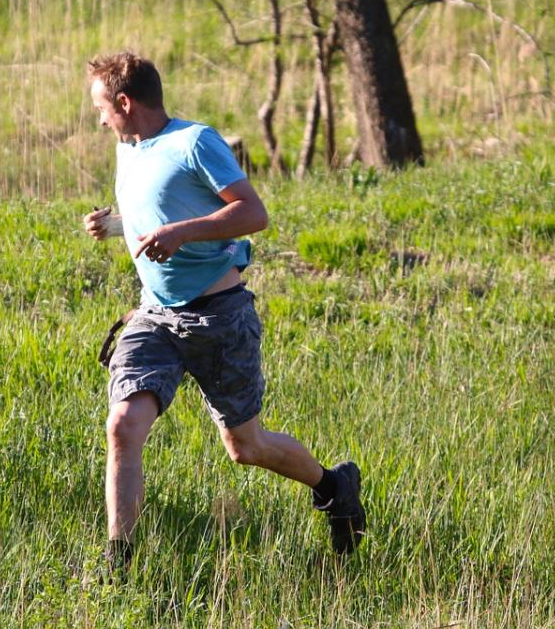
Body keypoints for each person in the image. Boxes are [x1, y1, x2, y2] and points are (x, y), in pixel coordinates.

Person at [82, 51, 365, 571]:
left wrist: (181, 233)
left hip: (219, 314)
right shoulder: (130, 148)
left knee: (245, 446)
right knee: (122, 425)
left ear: (124, 102)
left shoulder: (195, 142)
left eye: (102, 107)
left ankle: (333, 485)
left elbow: (253, 213)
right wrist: (118, 225)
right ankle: (117, 564)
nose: (99, 119)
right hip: (155, 316)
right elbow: (164, 210)